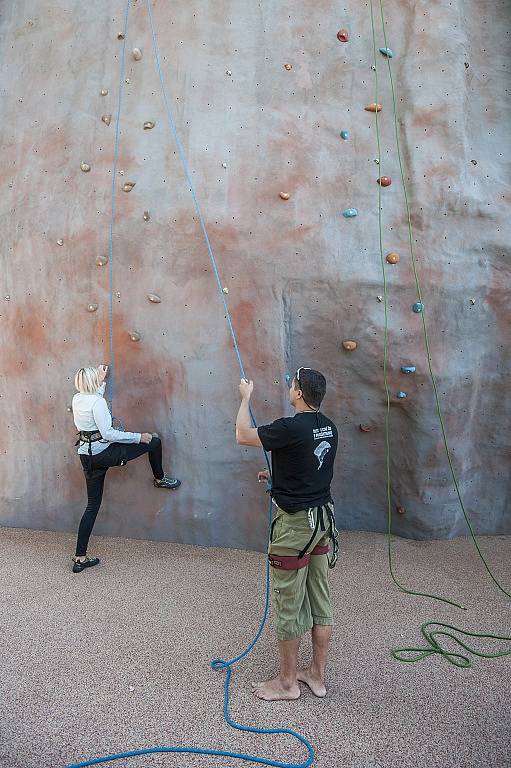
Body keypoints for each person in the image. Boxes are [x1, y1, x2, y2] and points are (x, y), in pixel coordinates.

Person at [236, 367, 338, 701]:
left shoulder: (290, 427)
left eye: (292, 385)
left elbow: (243, 435)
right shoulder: (329, 428)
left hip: (295, 527)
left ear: (299, 393)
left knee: (289, 604)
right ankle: (317, 677)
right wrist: (277, 476)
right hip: (323, 521)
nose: (290, 388)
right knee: (319, 598)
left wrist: (245, 398)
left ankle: (287, 683)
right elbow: (310, 465)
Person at [71, 364, 181, 573]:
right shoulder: (98, 403)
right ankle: (160, 479)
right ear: (92, 382)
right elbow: (109, 433)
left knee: (92, 506)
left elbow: (93, 399)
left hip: (86, 456)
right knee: (154, 443)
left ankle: (80, 558)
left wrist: (102, 380)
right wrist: (139, 437)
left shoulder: (78, 399)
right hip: (104, 454)